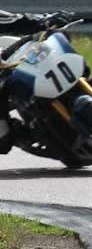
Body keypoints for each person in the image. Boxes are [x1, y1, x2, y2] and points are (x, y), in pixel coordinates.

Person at [0, 10, 75, 154]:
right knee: (3, 140)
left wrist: (41, 21)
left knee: (54, 35)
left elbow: (10, 20)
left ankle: (80, 80)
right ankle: (26, 133)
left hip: (5, 61)